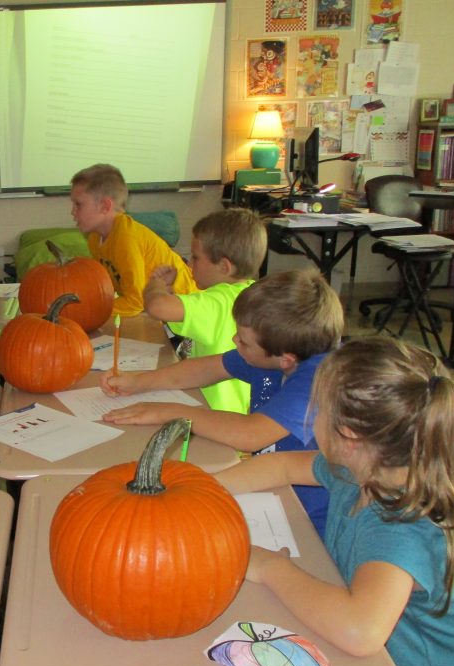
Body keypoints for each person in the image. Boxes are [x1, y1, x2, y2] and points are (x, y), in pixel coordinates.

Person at [213, 336, 454, 666]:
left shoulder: (400, 525)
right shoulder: (357, 469)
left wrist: (268, 566)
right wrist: (201, 491)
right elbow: (281, 465)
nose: (311, 419)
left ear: (350, 436)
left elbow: (360, 630)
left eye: (318, 410)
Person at [100, 270, 342, 536]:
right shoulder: (273, 354)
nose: (235, 341)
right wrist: (139, 382)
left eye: (243, 341)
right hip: (272, 488)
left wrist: (171, 412)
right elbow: (206, 369)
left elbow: (250, 434)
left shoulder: (319, 378)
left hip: (313, 518)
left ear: (286, 359)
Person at [143, 207, 267, 414]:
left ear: (224, 267)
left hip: (212, 410)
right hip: (236, 410)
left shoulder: (218, 302)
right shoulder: (251, 293)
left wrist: (156, 285)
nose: (190, 264)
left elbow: (158, 307)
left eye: (196, 257)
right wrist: (169, 290)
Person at [70, 163, 197, 317]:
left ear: (104, 206)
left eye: (78, 204)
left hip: (184, 305)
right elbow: (106, 288)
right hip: (153, 308)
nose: (72, 211)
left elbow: (135, 302)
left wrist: (87, 310)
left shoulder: (126, 238)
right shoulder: (95, 239)